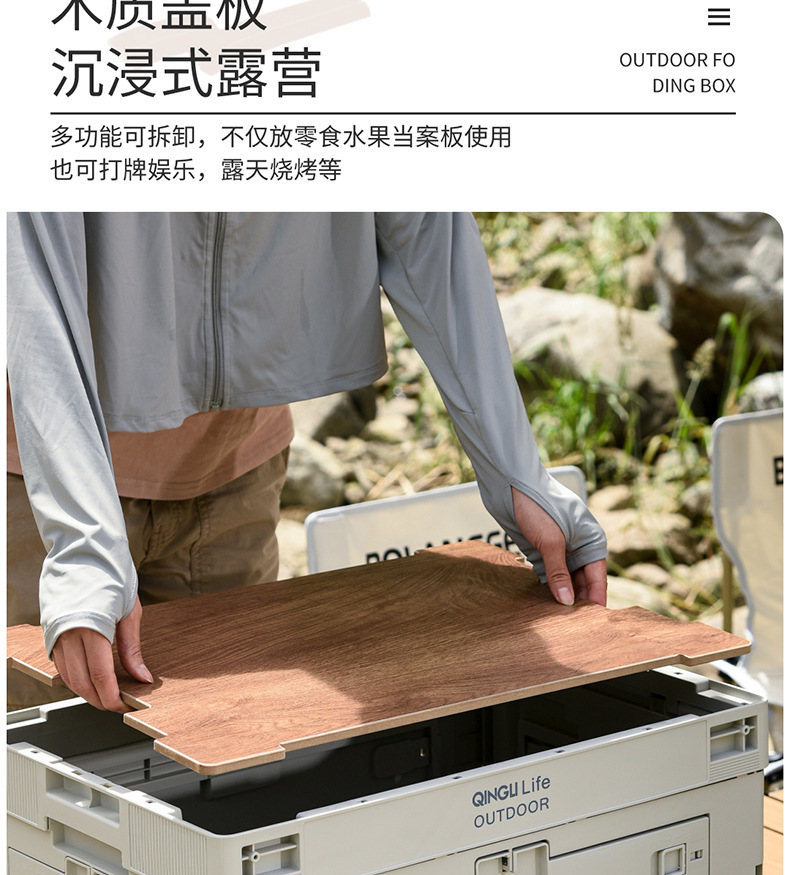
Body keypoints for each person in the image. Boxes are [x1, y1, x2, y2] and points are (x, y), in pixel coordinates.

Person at [7, 212, 607, 713]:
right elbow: (31, 274)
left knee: (228, 761)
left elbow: (428, 226)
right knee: (35, 770)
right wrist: (82, 543)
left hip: (235, 476)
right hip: (39, 493)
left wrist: (515, 474)